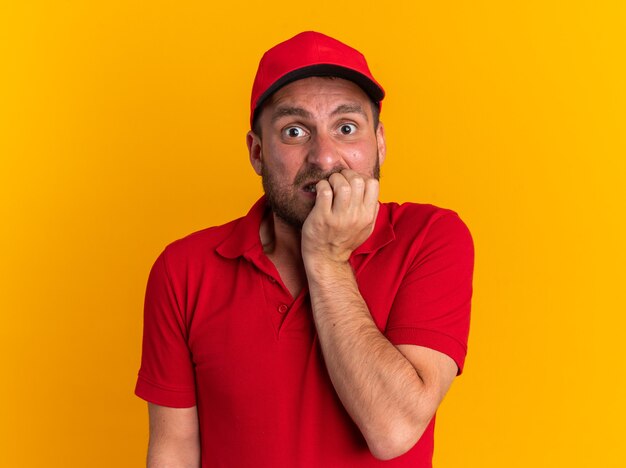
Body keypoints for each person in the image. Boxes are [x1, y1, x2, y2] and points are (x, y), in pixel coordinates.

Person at [135, 31, 474, 467]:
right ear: (257, 153)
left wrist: (327, 260)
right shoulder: (184, 269)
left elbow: (394, 430)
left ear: (380, 144)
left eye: (346, 128)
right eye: (294, 131)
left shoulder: (431, 238)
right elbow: (174, 451)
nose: (325, 157)